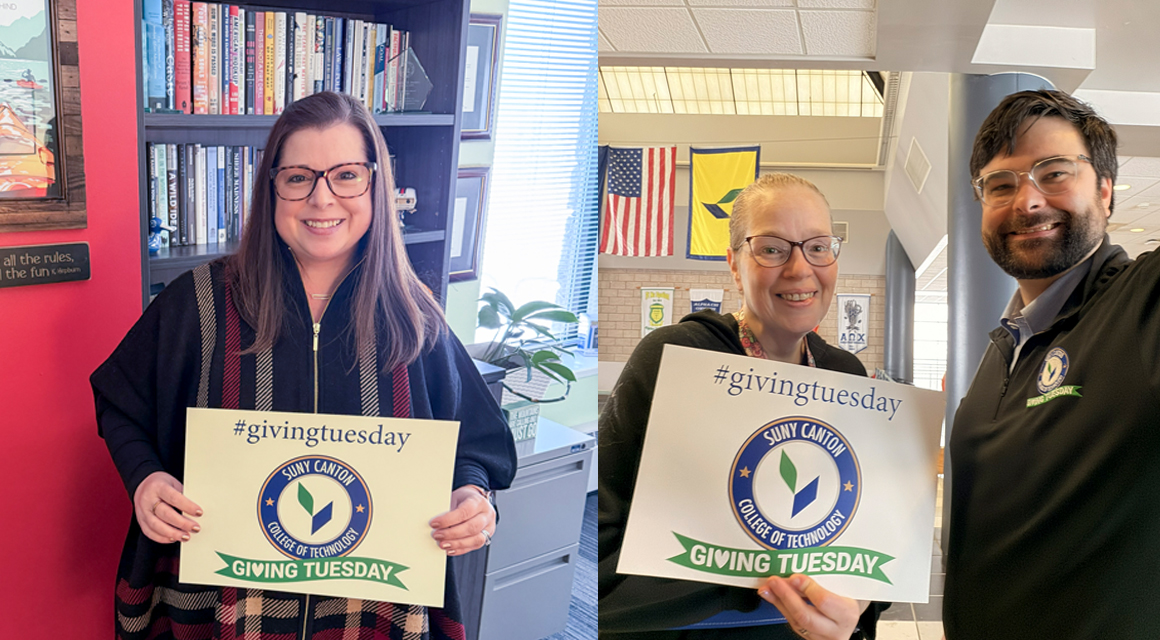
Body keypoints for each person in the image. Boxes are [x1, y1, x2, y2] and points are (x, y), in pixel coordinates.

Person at [91, 91, 517, 640]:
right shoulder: (196, 302)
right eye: (298, 177)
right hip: (222, 607)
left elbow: (474, 444)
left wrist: (472, 497)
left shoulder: (415, 317)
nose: (322, 198)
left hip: (371, 609)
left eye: (346, 175)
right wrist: (145, 479)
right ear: (272, 188)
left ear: (375, 185)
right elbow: (121, 402)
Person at [599, 173, 889, 640]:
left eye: (818, 246)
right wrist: (754, 578)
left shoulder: (846, 377)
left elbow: (871, 547)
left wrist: (859, 601)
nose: (800, 269)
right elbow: (599, 550)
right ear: (734, 265)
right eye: (772, 249)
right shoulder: (678, 359)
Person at [945, 89, 1160, 638]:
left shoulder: (1140, 305)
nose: (1028, 201)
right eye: (1001, 184)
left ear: (1106, 191)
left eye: (1055, 173)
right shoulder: (1006, 345)